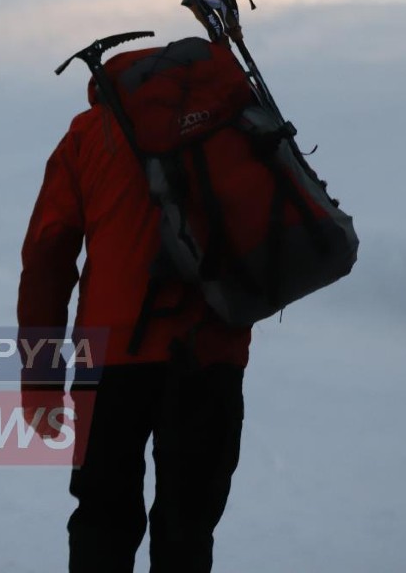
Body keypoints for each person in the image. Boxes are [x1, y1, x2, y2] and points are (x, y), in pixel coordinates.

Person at [17, 47, 251, 573]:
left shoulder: (89, 134)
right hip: (211, 353)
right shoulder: (229, 123)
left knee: (102, 520)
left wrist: (39, 377)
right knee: (189, 526)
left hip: (110, 360)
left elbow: (47, 257)